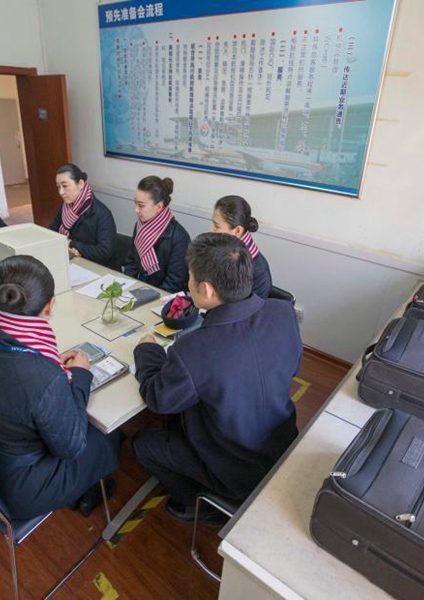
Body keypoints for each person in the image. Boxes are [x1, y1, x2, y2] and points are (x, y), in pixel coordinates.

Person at [132, 233, 301, 521]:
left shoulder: (194, 348)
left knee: (143, 444)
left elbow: (157, 398)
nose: (187, 283)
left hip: (235, 467)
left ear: (207, 289)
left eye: (189, 277)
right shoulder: (284, 312)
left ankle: (195, 505)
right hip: (281, 442)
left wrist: (148, 350)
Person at [0, 255, 120, 519]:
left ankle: (84, 488)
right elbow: (72, 447)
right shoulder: (43, 377)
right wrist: (79, 376)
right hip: (24, 488)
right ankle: (90, 490)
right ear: (50, 305)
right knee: (106, 433)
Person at [121, 176, 190, 292]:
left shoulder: (180, 238)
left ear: (159, 207)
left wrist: (146, 297)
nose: (136, 210)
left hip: (161, 298)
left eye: (141, 205)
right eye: (135, 204)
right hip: (138, 290)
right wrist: (126, 289)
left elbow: (174, 283)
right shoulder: (140, 226)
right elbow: (130, 263)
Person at [48, 164, 117, 267]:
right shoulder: (65, 207)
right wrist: (68, 249)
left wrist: (72, 244)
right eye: (58, 187)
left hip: (98, 268)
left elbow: (104, 252)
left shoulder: (102, 213)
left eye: (65, 186)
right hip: (73, 262)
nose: (61, 192)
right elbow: (52, 231)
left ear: (80, 184)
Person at [211, 195, 273, 298]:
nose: (212, 230)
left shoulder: (258, 271)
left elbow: (249, 311)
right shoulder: (220, 250)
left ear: (237, 231)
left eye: (217, 226)